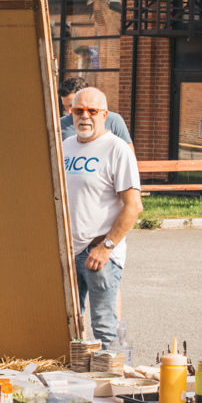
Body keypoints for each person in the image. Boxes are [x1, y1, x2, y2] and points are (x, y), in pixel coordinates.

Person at [62, 86, 141, 346]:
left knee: (105, 329)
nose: (85, 116)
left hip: (98, 252)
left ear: (104, 114)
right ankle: (76, 383)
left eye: (92, 111)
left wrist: (106, 247)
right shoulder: (65, 147)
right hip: (67, 251)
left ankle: (112, 385)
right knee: (68, 329)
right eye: (78, 110)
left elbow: (133, 206)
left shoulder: (116, 149)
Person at [57, 75, 131, 142]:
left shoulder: (114, 121)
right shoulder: (61, 124)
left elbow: (128, 153)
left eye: (71, 105)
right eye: (65, 106)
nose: (69, 111)